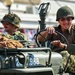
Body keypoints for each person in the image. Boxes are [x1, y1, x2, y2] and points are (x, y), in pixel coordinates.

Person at [37, 5, 75, 73]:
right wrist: (46, 31)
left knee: (64, 54)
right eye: (62, 19)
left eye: (68, 19)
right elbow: (39, 39)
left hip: (72, 59)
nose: (66, 22)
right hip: (55, 59)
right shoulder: (55, 30)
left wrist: (63, 46)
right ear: (58, 21)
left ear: (72, 20)